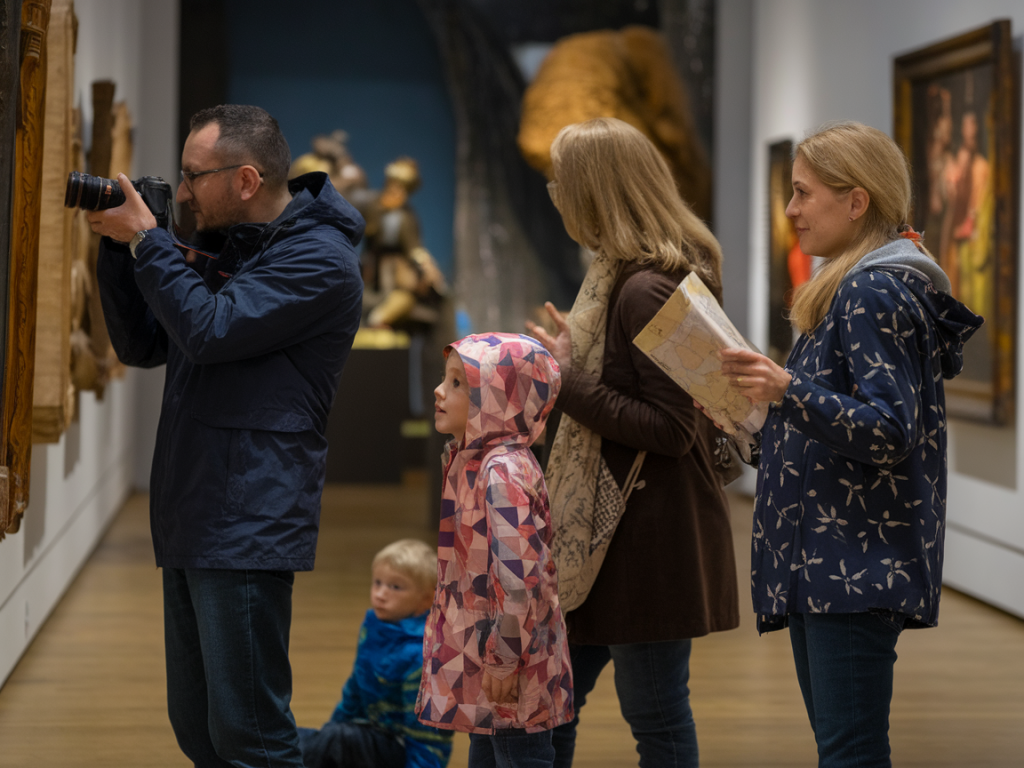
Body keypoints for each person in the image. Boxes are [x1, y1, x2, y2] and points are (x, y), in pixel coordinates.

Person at [88, 104, 365, 767]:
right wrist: (119, 248)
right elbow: (144, 344)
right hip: (192, 504)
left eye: (193, 175)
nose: (182, 192)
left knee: (252, 736)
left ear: (245, 179)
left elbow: (211, 332)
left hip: (249, 514)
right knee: (200, 731)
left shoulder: (320, 261)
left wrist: (150, 242)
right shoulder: (234, 246)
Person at [717, 121, 983, 767]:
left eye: (804, 193)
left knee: (851, 753)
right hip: (828, 563)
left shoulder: (871, 289)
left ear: (856, 200)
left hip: (851, 565)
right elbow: (828, 430)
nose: (791, 210)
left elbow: (891, 431)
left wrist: (785, 391)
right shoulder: (847, 287)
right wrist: (752, 418)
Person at [526, 116, 739, 768]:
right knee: (551, 706)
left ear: (592, 193)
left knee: (653, 715)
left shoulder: (646, 287)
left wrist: (565, 381)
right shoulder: (623, 276)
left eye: (560, 182)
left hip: (644, 539)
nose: (554, 193)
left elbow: (672, 430)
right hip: (608, 537)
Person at [417, 333, 573, 768]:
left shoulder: (501, 472)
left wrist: (503, 661)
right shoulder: (479, 460)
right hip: (494, 654)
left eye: (458, 384)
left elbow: (520, 580)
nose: (439, 391)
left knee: (518, 754)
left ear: (498, 400)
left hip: (509, 659)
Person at [298, 539, 453, 768]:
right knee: (311, 740)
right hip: (367, 738)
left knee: (324, 742)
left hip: (400, 751)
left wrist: (330, 741)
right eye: (377, 583)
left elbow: (428, 737)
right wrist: (330, 733)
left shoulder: (423, 656)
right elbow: (355, 688)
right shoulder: (373, 627)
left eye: (395, 587)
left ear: (426, 599)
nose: (380, 594)